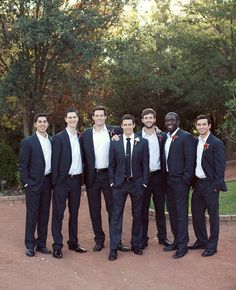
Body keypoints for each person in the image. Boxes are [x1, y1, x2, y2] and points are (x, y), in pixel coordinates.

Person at [81, 106, 130, 252]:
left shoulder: (115, 131)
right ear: (93, 118)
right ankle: (99, 240)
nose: (99, 117)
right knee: (94, 210)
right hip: (93, 177)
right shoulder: (86, 134)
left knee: (113, 210)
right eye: (97, 115)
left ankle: (116, 240)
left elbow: (132, 132)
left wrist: (157, 130)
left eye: (102, 115)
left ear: (106, 117)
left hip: (110, 176)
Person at [108, 114, 149, 261]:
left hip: (137, 184)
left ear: (134, 125)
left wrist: (144, 183)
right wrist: (112, 182)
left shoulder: (142, 143)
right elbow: (111, 165)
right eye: (124, 125)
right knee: (116, 216)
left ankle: (136, 244)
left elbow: (145, 164)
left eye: (129, 124)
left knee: (137, 215)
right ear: (121, 126)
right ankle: (113, 248)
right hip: (119, 184)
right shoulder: (115, 143)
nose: (127, 127)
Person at [188, 114, 227, 257]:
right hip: (198, 184)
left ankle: (212, 245)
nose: (201, 127)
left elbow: (220, 167)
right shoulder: (194, 142)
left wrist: (216, 186)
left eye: (204, 124)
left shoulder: (216, 143)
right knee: (197, 215)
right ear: (196, 126)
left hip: (211, 185)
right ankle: (201, 240)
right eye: (199, 125)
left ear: (209, 125)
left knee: (213, 216)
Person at [51, 108, 86, 259]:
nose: (72, 119)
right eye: (69, 117)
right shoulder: (58, 138)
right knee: (58, 214)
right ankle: (57, 246)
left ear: (78, 119)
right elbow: (54, 162)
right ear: (65, 119)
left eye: (74, 117)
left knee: (74, 213)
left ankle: (73, 242)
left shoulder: (81, 137)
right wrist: (56, 182)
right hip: (62, 182)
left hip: (77, 181)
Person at [136, 108, 171, 249]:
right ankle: (143, 239)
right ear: (142, 120)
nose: (149, 120)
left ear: (155, 119)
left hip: (158, 177)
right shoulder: (136, 136)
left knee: (160, 210)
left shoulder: (162, 136)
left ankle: (163, 238)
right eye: (146, 118)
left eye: (151, 118)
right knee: (143, 210)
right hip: (143, 178)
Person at [19, 113, 52, 257]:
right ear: (35, 124)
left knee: (44, 215)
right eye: (40, 122)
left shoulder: (52, 140)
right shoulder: (28, 142)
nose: (42, 124)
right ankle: (30, 245)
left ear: (48, 124)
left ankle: (41, 244)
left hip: (48, 182)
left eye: (45, 122)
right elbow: (23, 165)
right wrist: (26, 183)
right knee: (32, 215)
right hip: (33, 183)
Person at [163, 112, 195, 258]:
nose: (169, 122)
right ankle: (176, 241)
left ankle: (183, 246)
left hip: (180, 182)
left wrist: (185, 180)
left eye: (172, 120)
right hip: (168, 181)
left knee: (181, 214)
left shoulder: (186, 137)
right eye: (167, 120)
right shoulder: (165, 137)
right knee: (172, 213)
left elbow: (190, 161)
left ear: (178, 121)